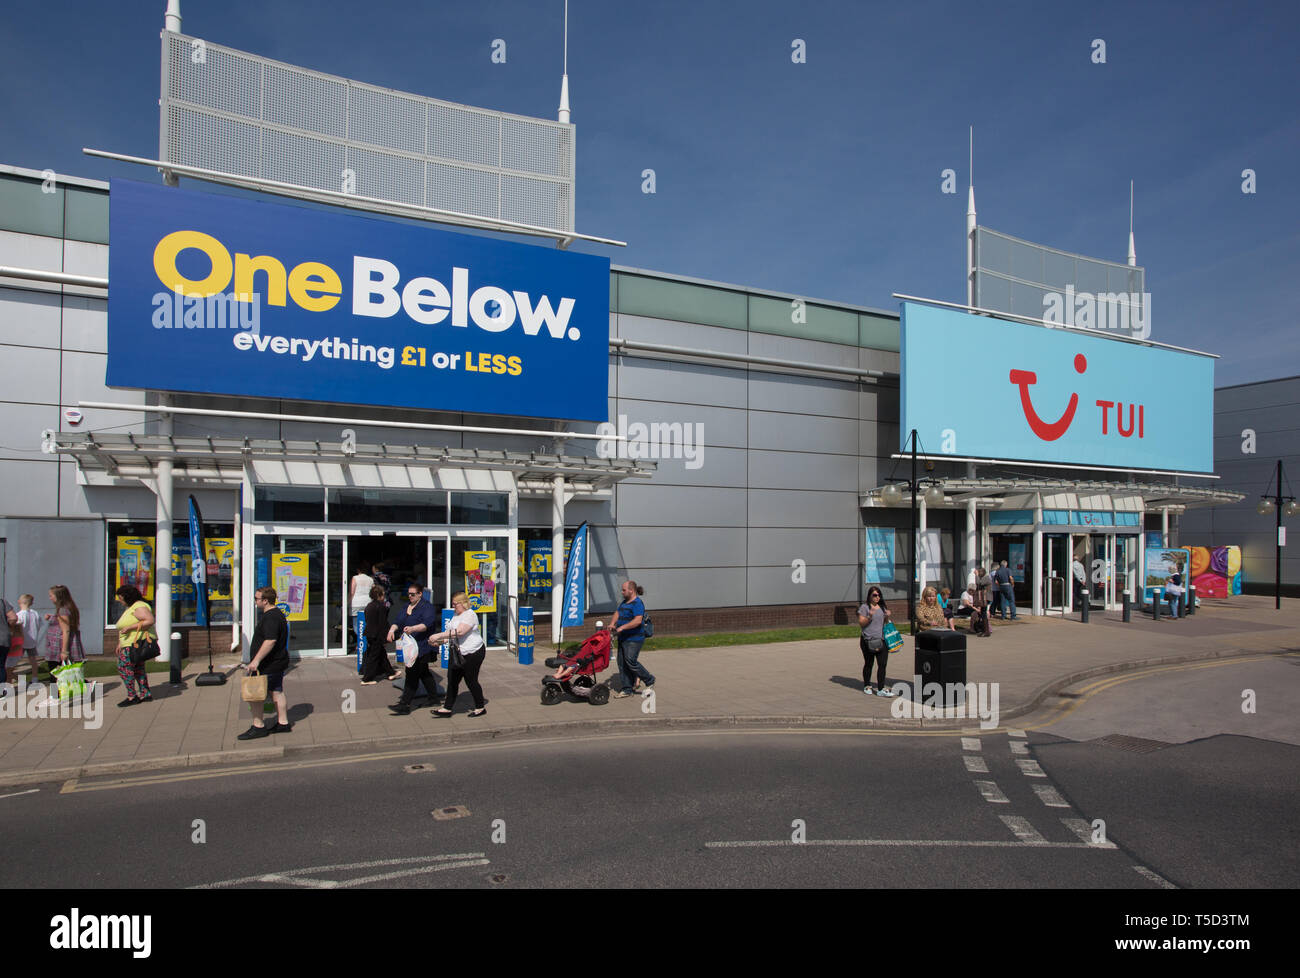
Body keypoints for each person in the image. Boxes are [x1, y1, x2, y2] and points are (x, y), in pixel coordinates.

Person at [238, 586, 293, 739]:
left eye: (257, 599)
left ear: (265, 600)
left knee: (256, 695)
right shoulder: (277, 614)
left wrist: (255, 661)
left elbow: (270, 641)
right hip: (277, 662)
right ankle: (283, 723)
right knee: (277, 691)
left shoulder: (271, 618)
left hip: (268, 664)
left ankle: (258, 726)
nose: (255, 601)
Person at [387, 583, 441, 715]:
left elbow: (427, 624)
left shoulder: (427, 607)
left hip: (422, 647)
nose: (410, 596)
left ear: (420, 594)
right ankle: (434, 698)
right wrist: (392, 630)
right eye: (408, 594)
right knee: (423, 673)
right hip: (409, 646)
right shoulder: (407, 606)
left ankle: (404, 705)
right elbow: (398, 621)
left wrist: (412, 628)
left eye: (412, 594)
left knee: (412, 674)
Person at [431, 592, 487, 717]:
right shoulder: (456, 614)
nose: (453, 606)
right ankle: (447, 708)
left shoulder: (470, 615)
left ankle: (480, 707)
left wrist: (438, 635)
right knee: (452, 680)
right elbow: (452, 634)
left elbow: (460, 632)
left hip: (473, 652)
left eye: (455, 604)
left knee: (470, 680)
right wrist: (440, 642)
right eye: (453, 603)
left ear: (463, 604)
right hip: (457, 652)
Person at [113, 585, 156, 707]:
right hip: (129, 644)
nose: (120, 601)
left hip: (133, 645)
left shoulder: (138, 607)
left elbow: (149, 620)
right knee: (138, 669)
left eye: (121, 598)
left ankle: (132, 696)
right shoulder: (133, 607)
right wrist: (120, 643)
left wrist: (130, 628)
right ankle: (145, 692)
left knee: (124, 668)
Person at [612, 580, 654, 697]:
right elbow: (617, 612)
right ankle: (627, 689)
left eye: (624, 590)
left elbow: (637, 621)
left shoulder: (637, 603)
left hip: (634, 638)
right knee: (622, 663)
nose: (622, 592)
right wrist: (612, 624)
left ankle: (649, 679)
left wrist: (622, 628)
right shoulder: (624, 602)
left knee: (630, 661)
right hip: (623, 637)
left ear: (631, 590)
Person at [857, 585, 896, 697]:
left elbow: (885, 623)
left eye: (879, 595)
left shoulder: (882, 607)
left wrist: (887, 616)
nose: (877, 597)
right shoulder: (865, 607)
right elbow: (861, 623)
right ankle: (867, 685)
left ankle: (880, 688)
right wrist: (869, 615)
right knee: (869, 664)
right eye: (874, 595)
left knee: (882, 664)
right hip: (868, 640)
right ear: (869, 596)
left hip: (882, 640)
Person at [44, 585, 85, 679]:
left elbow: (66, 630)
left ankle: (56, 693)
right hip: (59, 645)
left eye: (51, 596)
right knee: (67, 673)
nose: (50, 598)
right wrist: (52, 617)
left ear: (58, 596)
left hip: (59, 646)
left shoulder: (63, 610)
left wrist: (64, 651)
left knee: (56, 673)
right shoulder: (67, 608)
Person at [360, 584, 398, 684]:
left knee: (381, 654)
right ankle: (366, 679)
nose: (384, 597)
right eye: (383, 595)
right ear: (379, 595)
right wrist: (386, 637)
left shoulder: (369, 606)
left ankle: (390, 672)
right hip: (376, 635)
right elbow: (383, 623)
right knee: (374, 656)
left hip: (369, 634)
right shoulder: (381, 607)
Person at [13, 595, 45, 687]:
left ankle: (18, 679)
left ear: (19, 602)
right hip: (32, 641)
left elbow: (17, 628)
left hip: (21, 641)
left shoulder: (19, 615)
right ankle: (35, 678)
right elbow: (39, 625)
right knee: (33, 660)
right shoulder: (35, 613)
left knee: (15, 661)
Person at [349, 563, 374, 648]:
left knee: (356, 624)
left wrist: (348, 603)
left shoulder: (355, 578)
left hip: (356, 603)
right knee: (367, 623)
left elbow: (352, 592)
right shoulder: (370, 579)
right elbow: (373, 591)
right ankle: (366, 641)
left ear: (358, 570)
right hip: (368, 602)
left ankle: (362, 642)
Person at [1, 596, 17, 692]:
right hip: (3, 638)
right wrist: (8, 627)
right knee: (1, 665)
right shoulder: (3, 602)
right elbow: (13, 618)